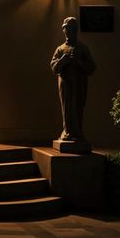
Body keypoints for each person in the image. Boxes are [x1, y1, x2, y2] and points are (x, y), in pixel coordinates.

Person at [50, 14, 97, 152]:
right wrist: (63, 60)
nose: (68, 32)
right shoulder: (60, 49)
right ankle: (67, 132)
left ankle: (77, 133)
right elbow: (54, 68)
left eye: (70, 29)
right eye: (66, 30)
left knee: (77, 107)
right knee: (66, 107)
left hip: (79, 84)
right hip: (65, 84)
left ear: (75, 30)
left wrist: (79, 62)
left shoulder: (82, 48)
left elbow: (92, 67)